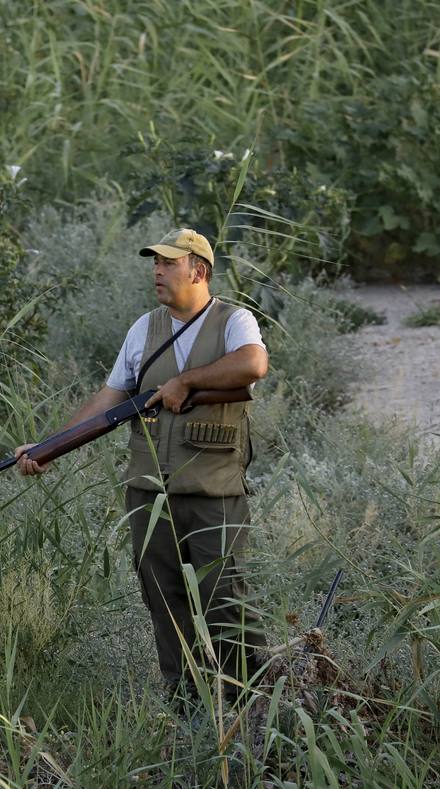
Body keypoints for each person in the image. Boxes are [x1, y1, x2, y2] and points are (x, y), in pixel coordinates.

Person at [14, 227, 267, 705]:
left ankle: (249, 709)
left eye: (169, 262)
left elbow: (253, 366)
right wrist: (48, 447)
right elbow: (108, 400)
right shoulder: (142, 328)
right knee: (164, 604)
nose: (157, 269)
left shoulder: (235, 321)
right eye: (155, 262)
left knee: (225, 604)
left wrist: (184, 382)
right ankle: (186, 711)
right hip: (149, 494)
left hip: (214, 494)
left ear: (200, 270)